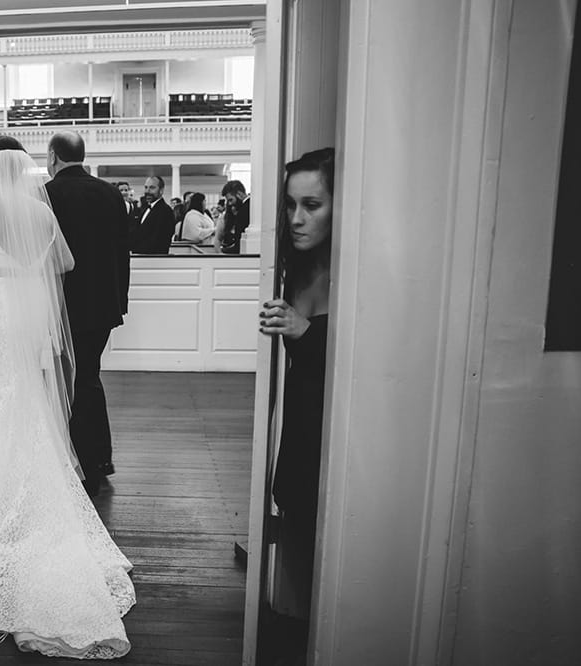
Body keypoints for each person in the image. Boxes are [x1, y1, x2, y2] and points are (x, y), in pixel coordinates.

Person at [0, 135, 135, 658]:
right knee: (29, 393)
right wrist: (29, 276)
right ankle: (37, 475)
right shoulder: (39, 211)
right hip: (32, 313)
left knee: (1, 394)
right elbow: (67, 266)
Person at [259, 147, 334, 650]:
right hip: (301, 420)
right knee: (298, 524)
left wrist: (307, 331)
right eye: (290, 205)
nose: (297, 218)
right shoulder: (297, 267)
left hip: (338, 430)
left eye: (312, 205)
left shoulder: (360, 277)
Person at [45, 131, 130, 496]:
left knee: (68, 382)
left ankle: (79, 460)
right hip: (104, 304)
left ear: (52, 157)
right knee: (89, 376)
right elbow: (121, 252)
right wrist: (119, 300)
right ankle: (98, 457)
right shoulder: (111, 194)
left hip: (63, 305)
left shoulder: (47, 195)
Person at [129, 175, 175, 254]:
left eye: (152, 188)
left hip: (154, 260)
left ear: (161, 190)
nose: (147, 191)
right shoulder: (145, 208)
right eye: (146, 187)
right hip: (141, 258)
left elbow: (159, 241)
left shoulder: (166, 211)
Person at [216, 180, 250, 254]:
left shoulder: (243, 211)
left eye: (231, 199)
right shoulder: (250, 207)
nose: (230, 204)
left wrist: (223, 251)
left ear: (239, 194)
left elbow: (238, 245)